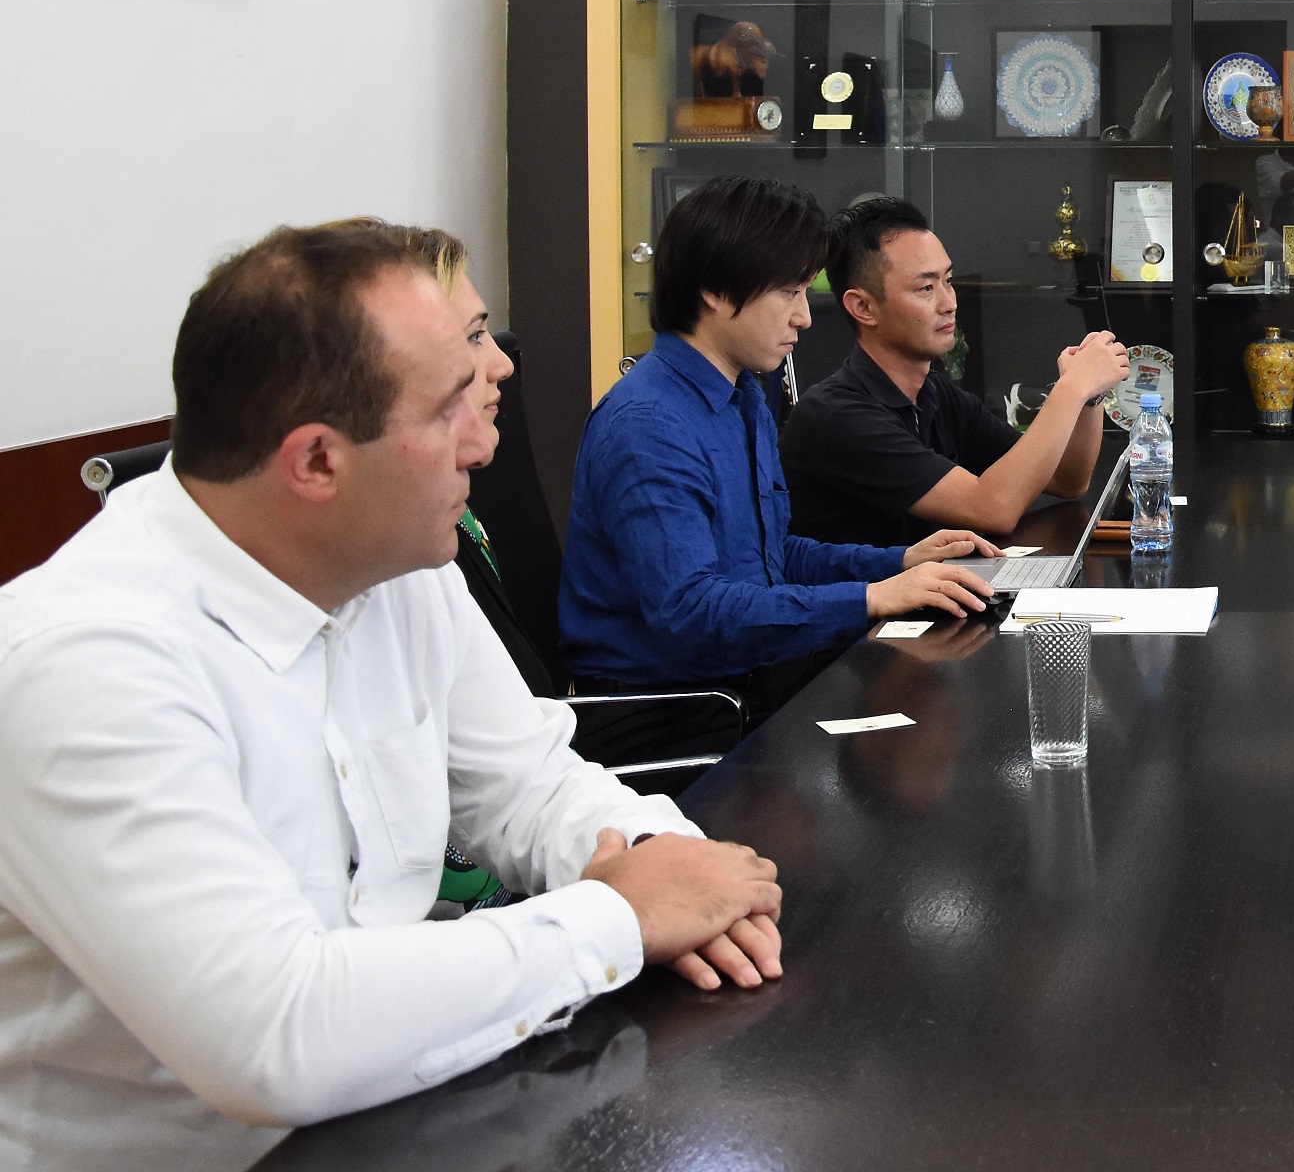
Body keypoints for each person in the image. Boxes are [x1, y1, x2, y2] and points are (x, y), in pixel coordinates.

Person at [0, 222, 790, 1167]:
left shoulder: (399, 566)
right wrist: (622, 918)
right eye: (450, 406)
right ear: (317, 462)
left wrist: (669, 864)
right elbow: (276, 1033)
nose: (484, 441)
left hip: (409, 1112)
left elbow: (530, 785)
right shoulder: (84, 663)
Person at [558, 178, 998, 755]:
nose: (804, 318)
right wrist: (870, 597)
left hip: (745, 686)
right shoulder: (648, 425)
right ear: (716, 291)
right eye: (790, 293)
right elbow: (691, 613)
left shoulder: (742, 396)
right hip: (674, 718)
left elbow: (768, 556)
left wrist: (899, 563)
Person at [784, 196, 1131, 547]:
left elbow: (1067, 480)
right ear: (863, 307)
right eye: (925, 288)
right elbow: (994, 508)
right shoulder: (836, 415)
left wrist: (1090, 394)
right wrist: (1071, 387)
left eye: (948, 281)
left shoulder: (935, 394)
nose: (949, 303)